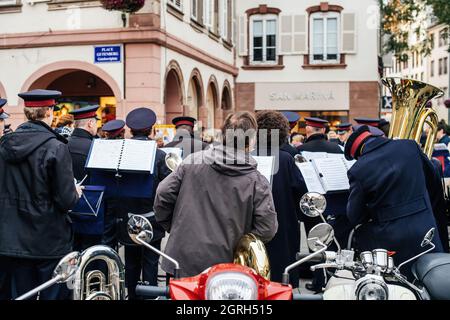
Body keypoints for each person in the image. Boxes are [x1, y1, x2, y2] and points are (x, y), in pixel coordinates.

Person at [154, 111, 278, 278]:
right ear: (251, 140)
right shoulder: (257, 181)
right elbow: (267, 228)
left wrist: (174, 226)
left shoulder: (192, 161)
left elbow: (163, 194)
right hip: (230, 265)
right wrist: (242, 245)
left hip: (183, 259)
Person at [0, 89, 81, 300]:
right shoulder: (56, 147)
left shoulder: (4, 144)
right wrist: (76, 193)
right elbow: (65, 200)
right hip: (49, 240)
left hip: (12, 239)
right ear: (49, 112)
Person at [342, 125, 443, 279]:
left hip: (391, 237)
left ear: (358, 153)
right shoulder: (409, 146)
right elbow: (433, 180)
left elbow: (355, 216)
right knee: (434, 278)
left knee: (400, 285)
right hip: (426, 228)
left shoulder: (359, 169)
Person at [118, 107, 170, 299]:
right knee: (150, 263)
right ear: (152, 129)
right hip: (151, 217)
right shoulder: (160, 156)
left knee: (131, 263)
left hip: (127, 217)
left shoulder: (121, 153)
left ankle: (132, 295)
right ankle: (150, 296)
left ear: (131, 130)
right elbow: (167, 188)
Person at [255, 110, 306, 287]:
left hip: (251, 225)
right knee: (280, 280)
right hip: (281, 225)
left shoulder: (246, 157)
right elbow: (301, 193)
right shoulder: (286, 159)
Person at [67, 105, 100, 251]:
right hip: (92, 209)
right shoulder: (96, 147)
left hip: (66, 208)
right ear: (90, 123)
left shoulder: (62, 143)